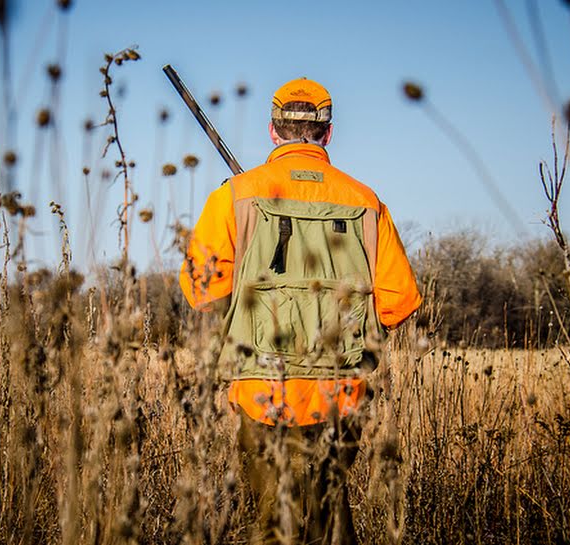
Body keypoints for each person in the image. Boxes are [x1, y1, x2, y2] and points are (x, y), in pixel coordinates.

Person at [179, 77, 421, 544]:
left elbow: (200, 289)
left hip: (261, 390)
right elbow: (399, 299)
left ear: (273, 131)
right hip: (341, 393)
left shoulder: (236, 195)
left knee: (275, 524)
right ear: (327, 133)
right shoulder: (365, 200)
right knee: (329, 516)